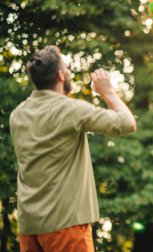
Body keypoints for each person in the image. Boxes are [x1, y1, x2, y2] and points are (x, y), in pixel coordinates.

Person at [9, 45, 137, 252]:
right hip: (65, 224)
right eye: (67, 68)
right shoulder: (70, 110)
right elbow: (127, 123)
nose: (69, 72)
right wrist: (107, 91)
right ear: (60, 75)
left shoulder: (17, 114)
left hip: (29, 226)